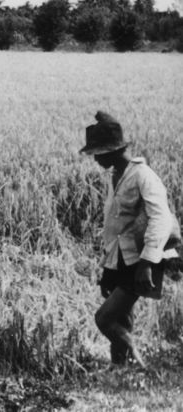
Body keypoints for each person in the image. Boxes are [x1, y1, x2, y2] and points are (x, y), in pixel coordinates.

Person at [80, 111, 180, 367]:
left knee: (104, 318)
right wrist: (108, 271)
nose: (96, 159)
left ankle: (138, 362)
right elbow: (117, 228)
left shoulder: (142, 176)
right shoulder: (117, 176)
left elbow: (162, 219)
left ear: (113, 150)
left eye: (99, 153)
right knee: (122, 317)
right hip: (122, 258)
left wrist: (146, 263)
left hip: (141, 259)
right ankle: (120, 369)